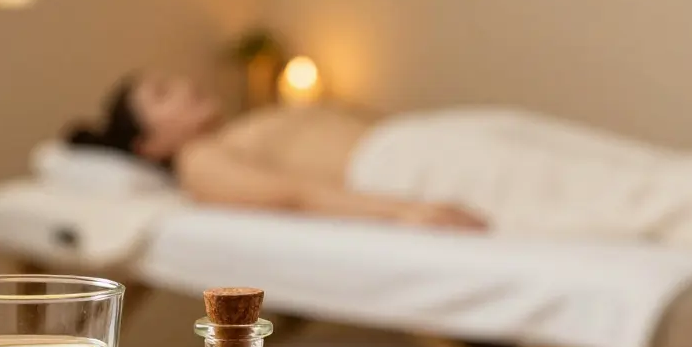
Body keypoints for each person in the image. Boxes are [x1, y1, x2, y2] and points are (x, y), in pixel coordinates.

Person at [67, 73, 487, 231]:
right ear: (150, 145)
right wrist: (407, 211)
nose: (185, 86)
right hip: (406, 167)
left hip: (424, 142)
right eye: (163, 94)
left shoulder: (232, 133)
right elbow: (294, 194)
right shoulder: (199, 161)